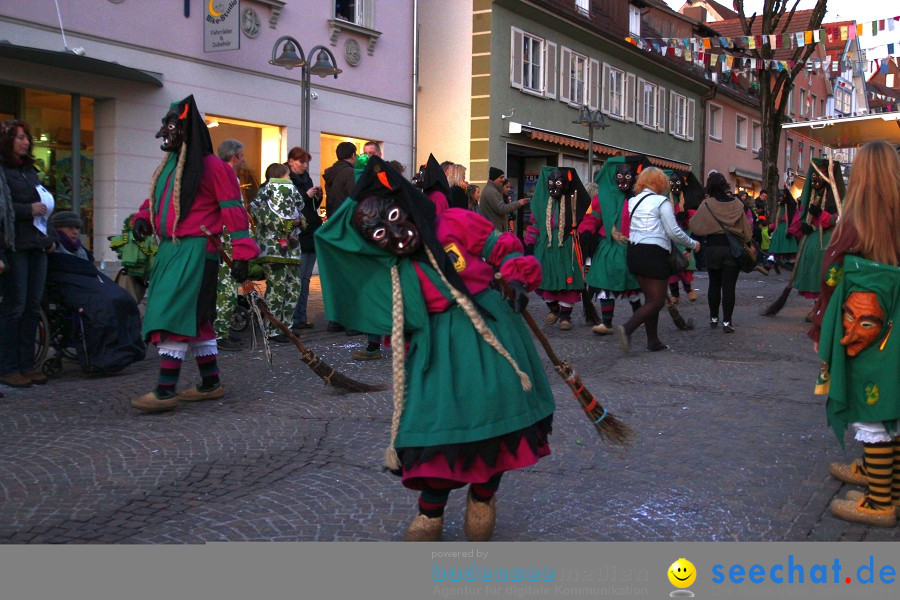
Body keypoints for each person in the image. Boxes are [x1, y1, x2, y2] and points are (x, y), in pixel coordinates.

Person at [316, 157, 554, 542]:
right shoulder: (390, 269)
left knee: (494, 419)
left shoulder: (454, 223)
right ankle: (431, 512)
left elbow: (502, 246)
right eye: (378, 233)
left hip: (488, 334)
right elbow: (331, 238)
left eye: (394, 216)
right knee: (434, 428)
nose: (393, 232)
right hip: (433, 349)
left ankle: (483, 496)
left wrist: (516, 274)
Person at [129, 95, 260, 413]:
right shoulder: (170, 165)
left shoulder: (213, 167)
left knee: (172, 315)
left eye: (172, 126)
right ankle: (210, 382)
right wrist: (143, 219)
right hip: (171, 250)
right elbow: (156, 199)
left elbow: (234, 211)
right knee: (198, 321)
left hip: (198, 251)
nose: (165, 133)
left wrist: (243, 254)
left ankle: (164, 390)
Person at [809, 141, 900, 527]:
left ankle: (881, 503)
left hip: (865, 333)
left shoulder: (853, 226)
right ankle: (886, 483)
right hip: (894, 329)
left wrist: (820, 325)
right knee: (890, 405)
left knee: (871, 412)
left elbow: (831, 282)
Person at [46, 211, 146, 373]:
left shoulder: (81, 250)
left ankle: (125, 350)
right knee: (103, 306)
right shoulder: (54, 248)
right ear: (57, 229)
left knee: (124, 299)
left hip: (88, 281)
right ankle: (104, 356)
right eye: (70, 227)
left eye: (77, 228)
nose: (75, 231)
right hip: (72, 285)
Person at [616, 167, 699, 353]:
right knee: (657, 301)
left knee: (650, 299)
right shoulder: (662, 202)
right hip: (654, 253)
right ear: (661, 183)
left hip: (634, 252)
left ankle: (653, 341)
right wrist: (693, 244)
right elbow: (674, 231)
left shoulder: (633, 201)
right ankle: (627, 328)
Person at [0, 119, 56, 389]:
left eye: (26, 137)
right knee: (15, 306)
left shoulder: (30, 171)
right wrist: (27, 210)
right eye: (19, 137)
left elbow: (45, 205)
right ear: (7, 141)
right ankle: (8, 366)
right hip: (15, 247)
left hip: (36, 246)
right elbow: (5, 209)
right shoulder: (3, 171)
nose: (25, 142)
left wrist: (51, 238)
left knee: (33, 306)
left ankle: (26, 364)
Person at [578, 156, 647, 335]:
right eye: (619, 176)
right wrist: (586, 230)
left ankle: (640, 317)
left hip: (630, 247)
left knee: (631, 285)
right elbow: (593, 218)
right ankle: (607, 323)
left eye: (628, 176)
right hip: (607, 247)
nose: (623, 180)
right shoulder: (603, 197)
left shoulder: (638, 197)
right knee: (604, 283)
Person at [523, 167, 589, 330]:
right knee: (544, 279)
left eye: (558, 183)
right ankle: (554, 309)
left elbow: (586, 224)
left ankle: (565, 316)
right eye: (551, 183)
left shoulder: (574, 203)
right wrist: (529, 244)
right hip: (545, 247)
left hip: (567, 247)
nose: (553, 187)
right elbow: (535, 225)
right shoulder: (542, 203)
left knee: (568, 280)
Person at [688, 171, 752, 333]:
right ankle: (727, 322)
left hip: (713, 249)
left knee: (714, 285)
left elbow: (694, 226)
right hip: (732, 249)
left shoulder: (707, 204)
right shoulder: (737, 205)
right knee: (729, 287)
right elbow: (748, 232)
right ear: (725, 185)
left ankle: (714, 318)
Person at [251, 163, 304, 339]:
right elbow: (261, 214)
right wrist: (286, 223)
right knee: (276, 289)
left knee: (293, 287)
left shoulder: (292, 197)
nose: (290, 179)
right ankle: (273, 330)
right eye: (288, 175)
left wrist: (298, 221)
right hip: (274, 250)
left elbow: (300, 214)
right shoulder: (265, 195)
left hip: (292, 251)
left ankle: (286, 327)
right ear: (280, 176)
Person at [791, 159, 845, 313]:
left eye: (821, 173)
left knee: (825, 274)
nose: (816, 178)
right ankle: (817, 306)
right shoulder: (812, 193)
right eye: (815, 173)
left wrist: (821, 214)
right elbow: (802, 213)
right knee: (812, 274)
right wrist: (803, 225)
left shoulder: (838, 195)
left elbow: (840, 217)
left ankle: (824, 307)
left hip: (829, 241)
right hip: (812, 239)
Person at [286, 146, 322, 333]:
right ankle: (292, 317)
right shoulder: (286, 178)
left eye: (307, 162)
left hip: (310, 232)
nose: (305, 165)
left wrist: (318, 195)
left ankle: (301, 316)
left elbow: (312, 206)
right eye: (301, 161)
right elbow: (287, 203)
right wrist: (305, 196)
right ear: (291, 161)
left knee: (305, 278)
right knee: (297, 278)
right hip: (297, 233)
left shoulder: (306, 178)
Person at [478, 167, 527, 233]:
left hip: (494, 231)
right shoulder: (491, 191)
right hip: (494, 233)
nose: (503, 180)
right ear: (494, 178)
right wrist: (519, 203)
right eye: (501, 177)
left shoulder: (493, 190)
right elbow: (502, 208)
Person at [323, 141, 357, 221]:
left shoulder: (331, 172)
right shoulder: (350, 172)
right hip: (345, 220)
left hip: (332, 218)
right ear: (353, 155)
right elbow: (354, 196)